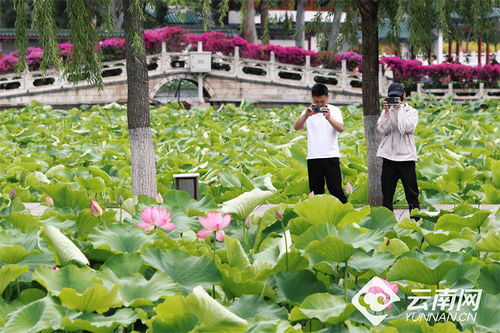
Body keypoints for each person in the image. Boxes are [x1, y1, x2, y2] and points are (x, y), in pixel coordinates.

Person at [294, 83, 347, 203]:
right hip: (313, 157)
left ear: (328, 97)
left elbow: (341, 128)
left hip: (331, 156)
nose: (319, 104)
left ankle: (344, 215)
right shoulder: (307, 111)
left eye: (322, 101)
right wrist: (306, 115)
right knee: (315, 192)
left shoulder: (335, 110)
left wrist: (329, 118)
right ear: (312, 98)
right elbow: (296, 127)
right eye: (316, 101)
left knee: (336, 190)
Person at [376, 82, 419, 216]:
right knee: (387, 195)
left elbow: (406, 128)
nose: (395, 99)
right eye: (392, 97)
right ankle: (387, 225)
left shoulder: (411, 112)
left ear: (404, 95)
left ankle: (417, 221)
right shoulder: (386, 112)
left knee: (412, 194)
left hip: (406, 157)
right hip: (389, 157)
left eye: (397, 97)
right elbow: (382, 129)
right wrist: (388, 112)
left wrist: (400, 110)